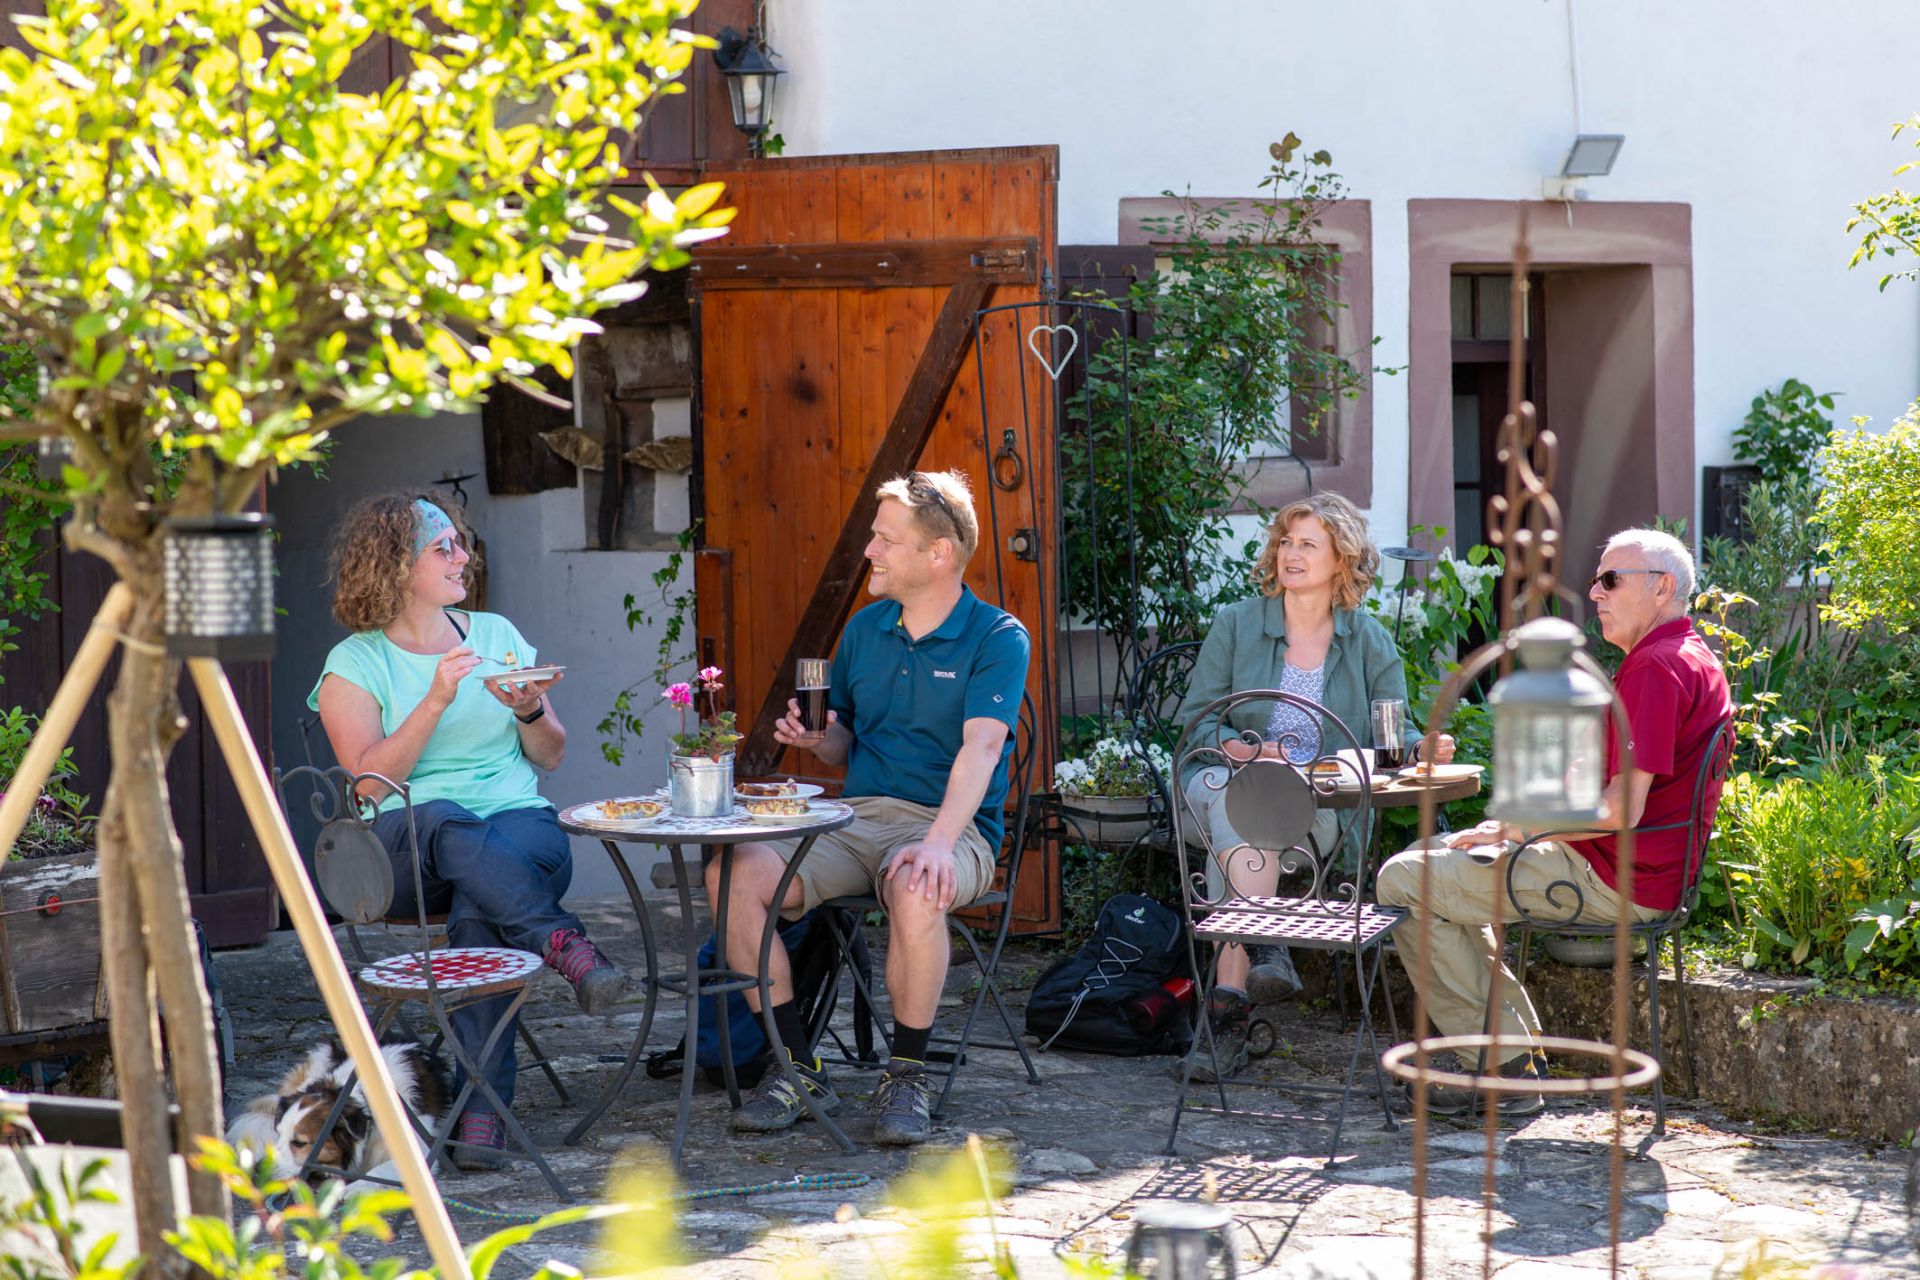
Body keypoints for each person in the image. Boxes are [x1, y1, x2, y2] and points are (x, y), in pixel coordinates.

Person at [709, 469, 1029, 1147]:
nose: (869, 552)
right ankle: (796, 1065)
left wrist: (940, 843)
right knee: (730, 873)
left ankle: (906, 1075)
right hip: (855, 822)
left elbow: (981, 750)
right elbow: (844, 748)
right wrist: (821, 738)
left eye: (885, 539)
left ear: (936, 555)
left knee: (917, 886)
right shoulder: (864, 629)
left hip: (953, 825)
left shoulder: (997, 637)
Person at [310, 491, 626, 1167]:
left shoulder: (497, 635)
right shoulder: (355, 663)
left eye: (462, 542)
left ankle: (483, 1118)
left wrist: (531, 711)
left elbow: (551, 755)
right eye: (443, 547)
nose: (464, 557)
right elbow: (369, 786)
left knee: (483, 900)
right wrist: (434, 701)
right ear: (397, 566)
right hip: (403, 849)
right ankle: (561, 942)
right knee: (449, 822)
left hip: (518, 832)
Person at [1376, 528, 1732, 1118]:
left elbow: (1621, 811)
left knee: (1402, 880)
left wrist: (1518, 831)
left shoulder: (1656, 668)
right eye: (1597, 580)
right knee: (1433, 853)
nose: (1595, 593)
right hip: (1633, 868)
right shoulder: (1683, 655)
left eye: (1611, 580)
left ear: (1662, 586)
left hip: (1614, 880)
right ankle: (1507, 1054)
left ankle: (1506, 1069)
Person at [1176, 493, 1453, 1082]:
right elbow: (1198, 721)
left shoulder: (1370, 640)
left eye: (1308, 545)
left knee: (1260, 823)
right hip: (1223, 779)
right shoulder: (1237, 624)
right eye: (1286, 542)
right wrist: (1252, 750)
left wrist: (1419, 747)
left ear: (1342, 560)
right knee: (1246, 799)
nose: (1291, 554)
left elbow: (1391, 733)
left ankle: (1229, 1005)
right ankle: (1265, 938)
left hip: (1317, 799)